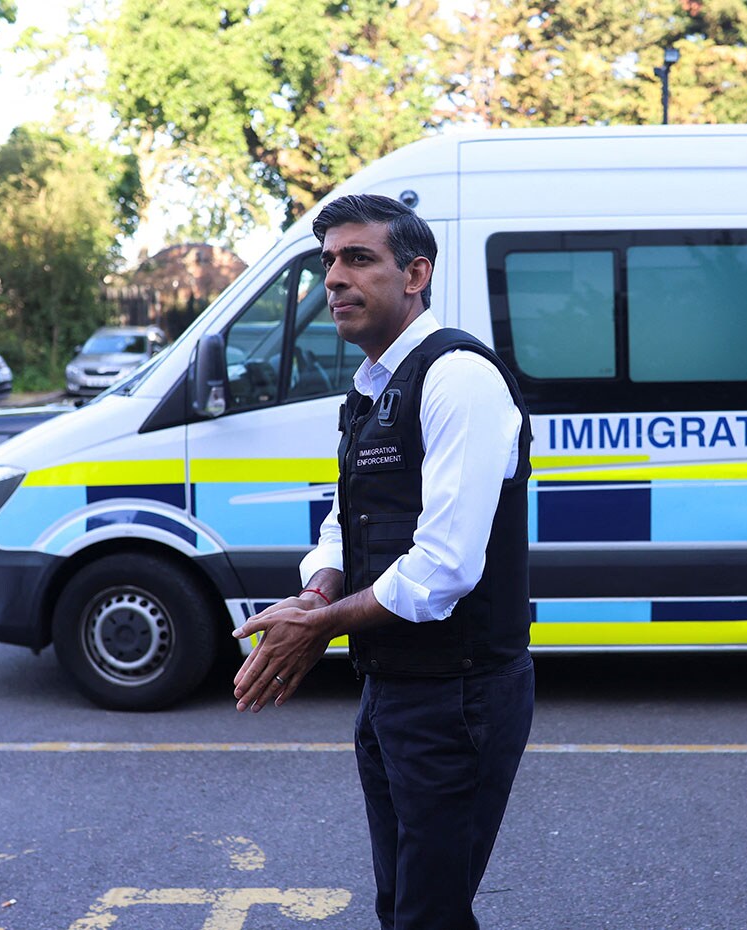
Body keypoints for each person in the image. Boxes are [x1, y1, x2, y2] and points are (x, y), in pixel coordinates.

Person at [232, 193, 535, 930]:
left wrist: (321, 625)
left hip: (456, 698)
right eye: (328, 262)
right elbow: (351, 518)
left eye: (358, 259)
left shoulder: (458, 378)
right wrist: (318, 592)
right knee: (402, 905)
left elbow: (443, 568)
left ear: (415, 275)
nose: (334, 278)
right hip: (394, 690)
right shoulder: (374, 388)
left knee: (427, 913)